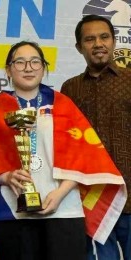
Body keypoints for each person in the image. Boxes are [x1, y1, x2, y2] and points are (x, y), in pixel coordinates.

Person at [0, 41, 126, 260]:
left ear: (44, 68)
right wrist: (6, 176)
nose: (28, 68)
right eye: (20, 62)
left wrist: (60, 193)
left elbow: (84, 157)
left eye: (35, 61)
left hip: (64, 209)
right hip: (13, 213)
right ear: (8, 69)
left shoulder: (63, 104)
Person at [60, 14, 131, 260]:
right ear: (80, 47)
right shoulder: (70, 89)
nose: (98, 44)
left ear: (113, 41)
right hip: (93, 199)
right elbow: (67, 143)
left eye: (104, 37)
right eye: (90, 39)